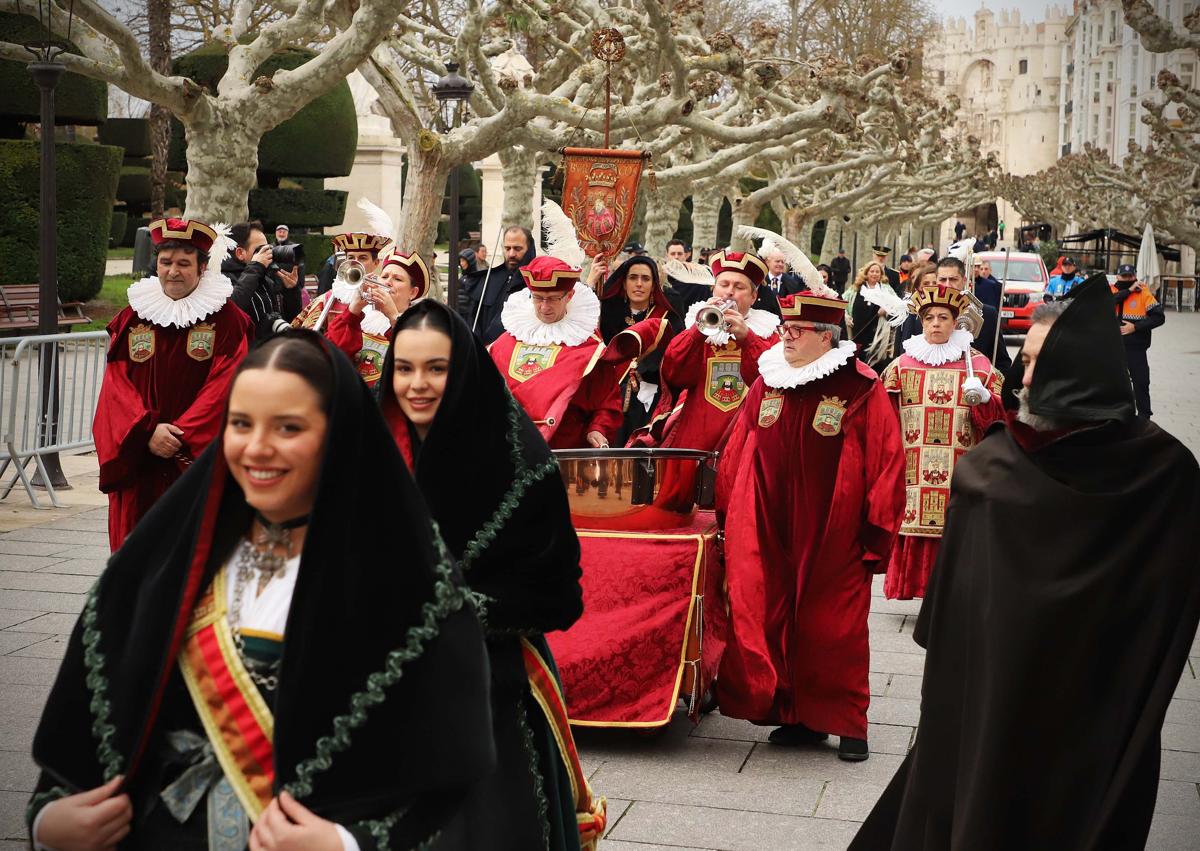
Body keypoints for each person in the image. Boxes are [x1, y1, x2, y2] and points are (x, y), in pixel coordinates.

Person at [32, 332, 497, 849]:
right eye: (240, 424)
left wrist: (347, 844)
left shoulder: (412, 583)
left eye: (289, 427)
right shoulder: (161, 562)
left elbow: (453, 782)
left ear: (339, 435)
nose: (256, 448)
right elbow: (82, 731)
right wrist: (48, 819)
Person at [853, 277, 1200, 849]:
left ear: (1086, 369)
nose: (1028, 378)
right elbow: (951, 615)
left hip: (1093, 707)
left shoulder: (1162, 473)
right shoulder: (992, 467)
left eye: (1044, 363)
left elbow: (1167, 610)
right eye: (1027, 359)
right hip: (988, 694)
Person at [379, 300, 605, 851]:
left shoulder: (523, 463)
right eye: (404, 368)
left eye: (437, 368)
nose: (418, 385)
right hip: (379, 691)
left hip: (490, 693)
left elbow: (556, 595)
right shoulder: (366, 446)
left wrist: (458, 610)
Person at [717, 290, 905, 762]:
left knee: (832, 627)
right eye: (785, 329)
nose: (787, 338)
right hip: (773, 525)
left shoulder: (861, 387)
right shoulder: (770, 382)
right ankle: (796, 717)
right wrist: (731, 510)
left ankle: (848, 723)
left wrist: (877, 531)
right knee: (777, 618)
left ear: (826, 337)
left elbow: (886, 461)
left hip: (834, 530)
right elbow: (742, 443)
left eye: (797, 332)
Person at [93, 218, 251, 551]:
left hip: (194, 464)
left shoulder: (228, 321)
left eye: (183, 263)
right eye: (166, 263)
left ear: (202, 267)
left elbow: (227, 385)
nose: (173, 272)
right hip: (141, 460)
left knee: (192, 556)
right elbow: (115, 386)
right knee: (137, 556)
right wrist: (146, 432)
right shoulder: (132, 318)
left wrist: (180, 435)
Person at [879, 284, 1005, 600]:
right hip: (913, 470)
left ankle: (953, 595)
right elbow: (884, 419)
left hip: (961, 468)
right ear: (921, 323)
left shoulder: (978, 367)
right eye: (930, 318)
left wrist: (986, 399)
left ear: (955, 322)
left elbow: (999, 424)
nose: (936, 323)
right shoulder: (901, 367)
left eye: (943, 318)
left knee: (957, 527)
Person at [631, 251, 779, 508]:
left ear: (754, 297)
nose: (729, 292)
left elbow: (770, 384)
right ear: (714, 288)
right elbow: (675, 375)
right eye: (724, 284)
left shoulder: (768, 334)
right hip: (696, 433)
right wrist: (697, 333)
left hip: (743, 437)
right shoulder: (697, 324)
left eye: (739, 287)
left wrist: (749, 339)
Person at [488, 256, 623, 449]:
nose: (544, 307)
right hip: (509, 450)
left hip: (564, 451)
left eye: (552, 298)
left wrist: (598, 428)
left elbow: (607, 401)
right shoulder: (504, 343)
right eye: (537, 298)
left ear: (569, 296)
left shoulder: (588, 346)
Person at [598, 254, 681, 444]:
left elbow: (674, 357)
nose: (639, 284)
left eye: (645, 279)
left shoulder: (668, 317)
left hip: (652, 398)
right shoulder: (607, 314)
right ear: (624, 283)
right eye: (633, 278)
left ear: (654, 285)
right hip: (611, 398)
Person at [324, 247, 430, 387]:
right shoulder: (359, 317)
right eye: (384, 276)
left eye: (397, 279)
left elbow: (417, 357)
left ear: (413, 292)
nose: (387, 282)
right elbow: (331, 356)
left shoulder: (421, 323)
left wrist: (393, 316)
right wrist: (353, 310)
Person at [894, 257, 1012, 371]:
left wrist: (985, 385)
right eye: (942, 280)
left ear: (964, 281)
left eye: (953, 279)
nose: (947, 285)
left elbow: (1002, 363)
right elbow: (902, 357)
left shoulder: (988, 315)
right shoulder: (919, 313)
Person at [291, 220, 391, 331]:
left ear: (376, 263)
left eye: (362, 258)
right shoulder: (327, 298)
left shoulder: (387, 298)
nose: (355, 263)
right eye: (351, 258)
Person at [222, 220, 302, 341]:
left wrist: (291, 291)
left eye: (267, 247)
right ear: (240, 253)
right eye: (260, 249)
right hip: (244, 355)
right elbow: (232, 309)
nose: (267, 252)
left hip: (269, 349)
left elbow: (291, 319)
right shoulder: (222, 279)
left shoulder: (265, 278)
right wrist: (255, 267)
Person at [463, 226, 537, 341]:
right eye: (508, 248)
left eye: (517, 248)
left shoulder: (538, 282)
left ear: (529, 249)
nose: (511, 254)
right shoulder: (488, 279)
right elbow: (474, 321)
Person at [1111, 263, 1164, 418]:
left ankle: (1144, 419)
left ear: (1135, 276)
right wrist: (1128, 291)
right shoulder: (1110, 290)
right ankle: (1117, 416)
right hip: (1112, 348)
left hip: (1136, 348)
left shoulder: (1143, 293)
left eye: (1130, 276)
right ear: (1117, 277)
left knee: (1141, 384)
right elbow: (1107, 303)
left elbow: (1159, 317)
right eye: (1124, 276)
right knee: (1115, 386)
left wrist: (1135, 327)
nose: (1127, 279)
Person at [847, 260, 904, 372]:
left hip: (878, 334)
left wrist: (886, 310)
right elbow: (844, 303)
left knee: (876, 363)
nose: (874, 274)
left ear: (881, 274)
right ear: (866, 273)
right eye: (872, 271)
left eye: (877, 272)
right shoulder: (856, 289)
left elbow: (896, 306)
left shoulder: (886, 290)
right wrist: (846, 316)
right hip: (858, 331)